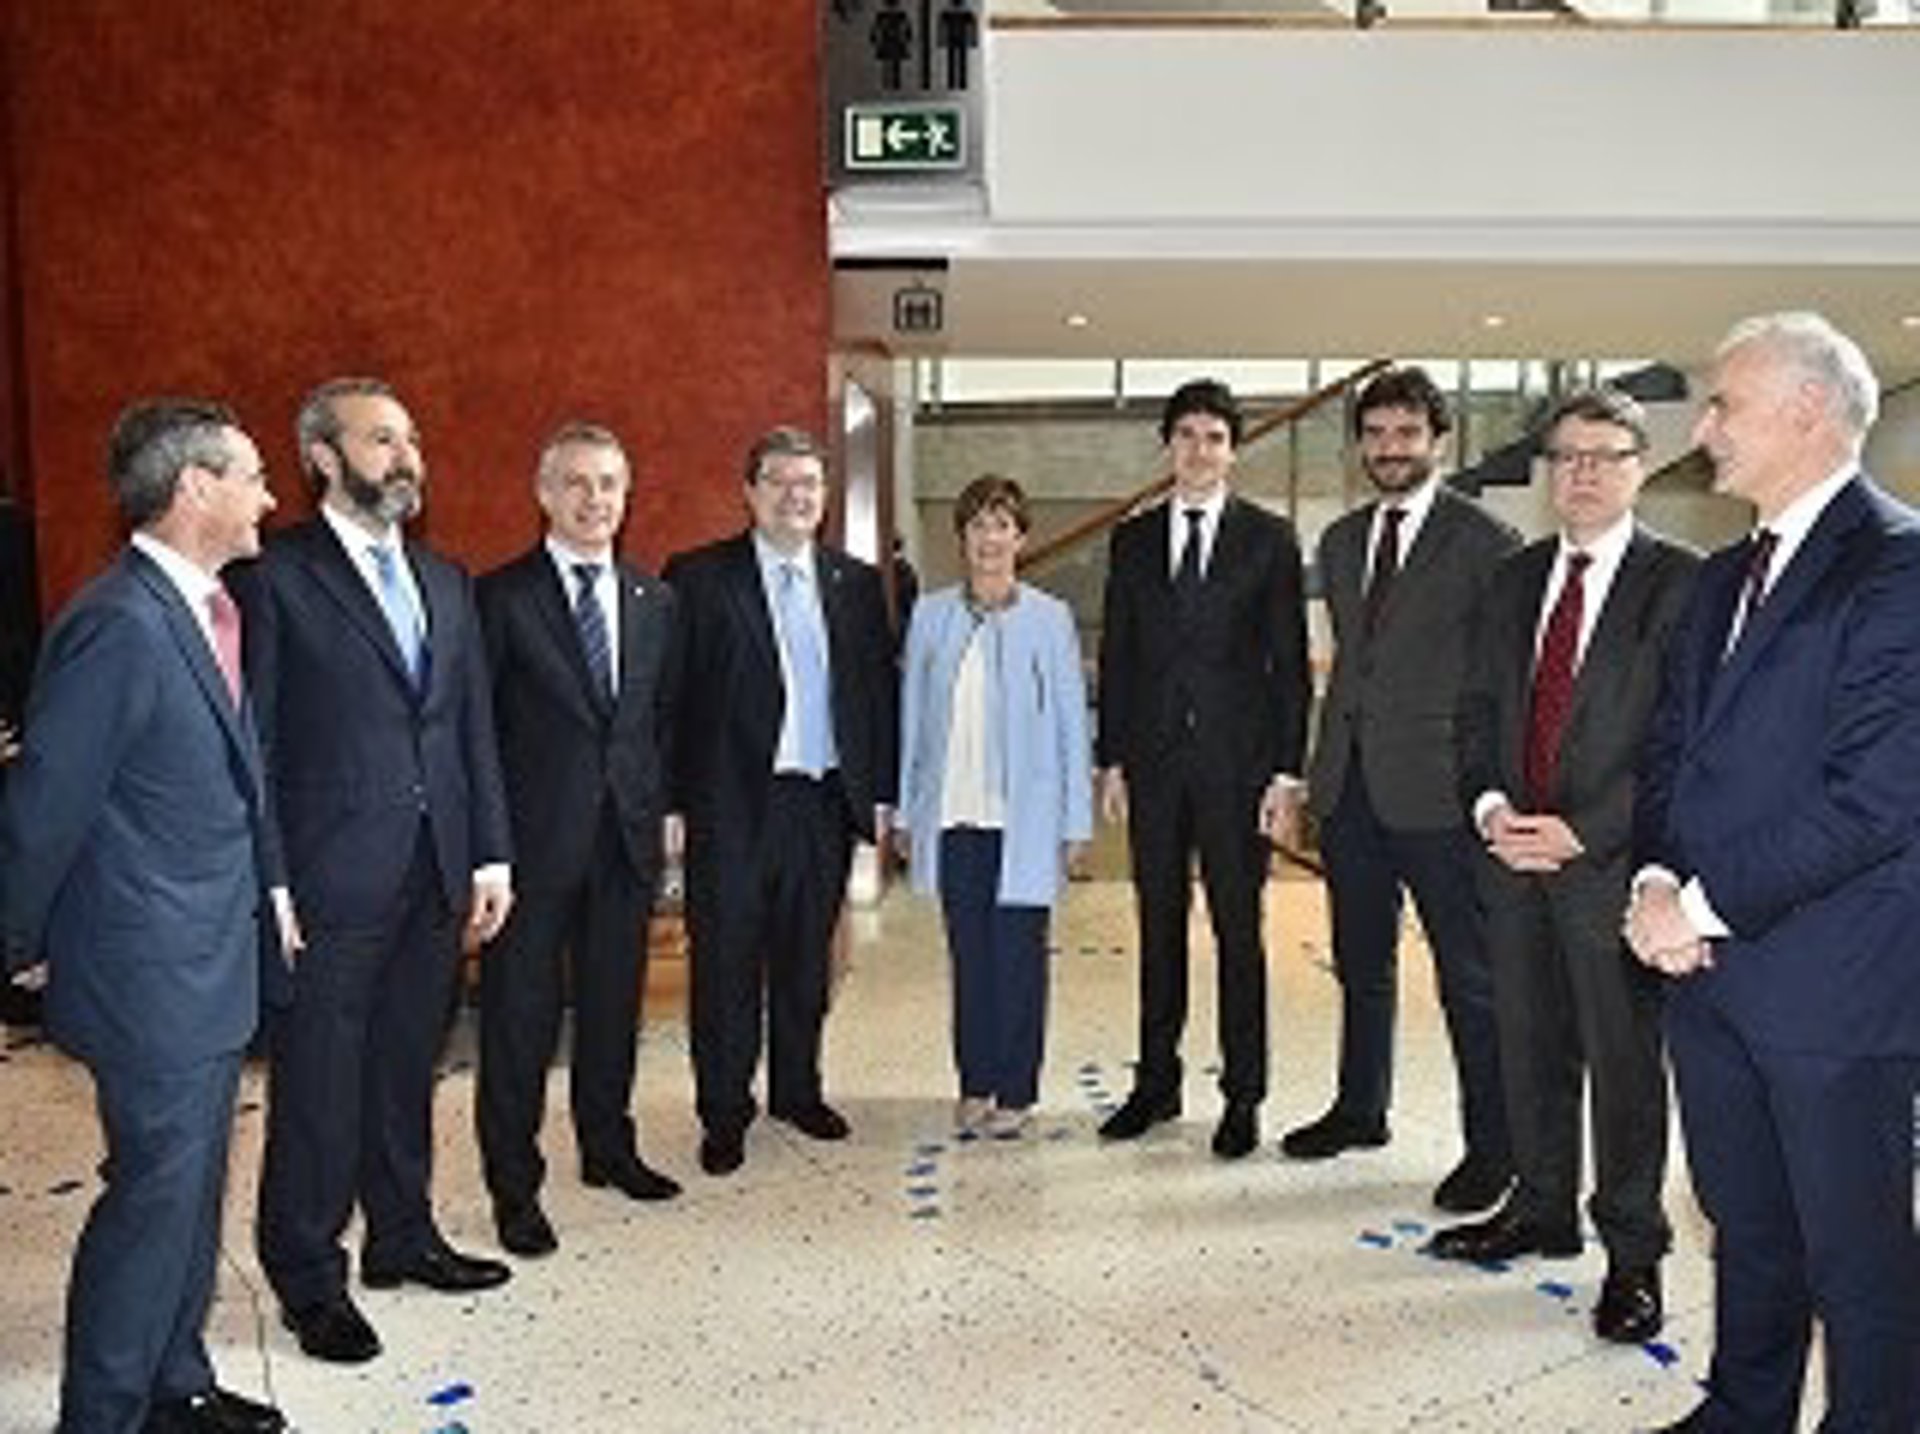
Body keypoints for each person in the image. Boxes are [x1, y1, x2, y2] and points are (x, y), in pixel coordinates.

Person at [1626, 313, 1920, 1432]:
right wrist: (1655, 883)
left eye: (1724, 404)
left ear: (1808, 408)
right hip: (1708, 975)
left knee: (1858, 1256)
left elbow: (1877, 796)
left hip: (1835, 985)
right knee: (1747, 1225)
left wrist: (1700, 905)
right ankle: (1745, 1411)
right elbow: (1671, 754)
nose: (1703, 429)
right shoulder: (1719, 581)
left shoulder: (1899, 563)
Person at [0, 400, 286, 1433]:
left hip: (205, 961)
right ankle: (103, 1414)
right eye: (252, 476)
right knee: (153, 1201)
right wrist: (18, 942)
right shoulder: (118, 624)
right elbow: (46, 806)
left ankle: (177, 1384)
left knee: (192, 1191)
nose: (270, 498)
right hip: (149, 972)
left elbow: (230, 785)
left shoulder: (205, 606)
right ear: (196, 487)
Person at [237, 378, 515, 1366]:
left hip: (435, 871)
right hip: (327, 881)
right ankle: (309, 1277)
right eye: (382, 440)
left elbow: (471, 728)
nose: (406, 457)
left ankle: (402, 1237)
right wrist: (270, 881)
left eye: (411, 440)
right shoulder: (274, 577)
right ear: (322, 456)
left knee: (405, 1066)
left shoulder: (446, 579)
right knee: (319, 1086)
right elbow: (254, 745)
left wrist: (489, 851)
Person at [1437, 389, 1698, 1347]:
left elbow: (1686, 740)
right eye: (1566, 456)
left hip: (1613, 870)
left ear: (1640, 467)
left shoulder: (1683, 583)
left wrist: (1585, 831)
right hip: (1512, 864)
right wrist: (1490, 809)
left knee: (1623, 1067)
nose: (1582, 472)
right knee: (1529, 1045)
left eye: (1604, 454)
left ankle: (1633, 1254)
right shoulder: (1512, 580)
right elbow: (1474, 713)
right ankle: (1541, 1207)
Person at [1285, 365, 1520, 1214]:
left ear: (1438, 441)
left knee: (1469, 977)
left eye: (1407, 434)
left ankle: (1494, 1148)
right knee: (1361, 963)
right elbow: (1355, 667)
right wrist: (1315, 777)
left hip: (1443, 794)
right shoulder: (1342, 542)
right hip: (1351, 787)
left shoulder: (1487, 543)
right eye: (1377, 434)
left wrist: (1492, 788)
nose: (1390, 449)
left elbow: (1500, 681)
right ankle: (1361, 1108)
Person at [662, 427, 897, 1177]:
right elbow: (671, 700)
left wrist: (881, 792)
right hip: (731, 805)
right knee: (725, 966)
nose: (796, 496)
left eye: (809, 484)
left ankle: (798, 1090)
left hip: (821, 805)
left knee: (804, 962)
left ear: (825, 498)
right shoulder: (699, 578)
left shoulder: (855, 584)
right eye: (780, 481)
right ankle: (724, 1112)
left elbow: (876, 696)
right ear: (750, 492)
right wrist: (671, 802)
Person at [476, 423, 682, 1258]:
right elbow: (479, 735)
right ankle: (514, 1186)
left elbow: (657, 723)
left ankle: (608, 1147)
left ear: (626, 496)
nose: (594, 499)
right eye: (576, 483)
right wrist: (486, 849)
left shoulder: (655, 602)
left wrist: (664, 813)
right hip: (532, 850)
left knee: (610, 1009)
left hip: (624, 842)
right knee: (518, 1023)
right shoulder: (500, 599)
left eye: (608, 484)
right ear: (544, 493)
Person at [1094, 378, 1311, 1160]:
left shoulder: (1269, 539)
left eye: (1214, 437)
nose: (1199, 450)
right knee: (1158, 930)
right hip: (1153, 769)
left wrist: (1285, 774)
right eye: (1186, 435)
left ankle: (1243, 1095)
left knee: (1237, 933)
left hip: (1236, 772)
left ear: (1233, 450)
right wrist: (1111, 758)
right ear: (1168, 446)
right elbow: (1118, 657)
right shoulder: (1132, 540)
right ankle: (1156, 1083)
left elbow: (1289, 665)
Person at [895, 476, 1092, 1138]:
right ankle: (975, 1082)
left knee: (1019, 961)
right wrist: (906, 812)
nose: (990, 538)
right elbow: (911, 719)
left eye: (1002, 524)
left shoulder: (1050, 618)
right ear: (962, 537)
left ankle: (1016, 1089)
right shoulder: (930, 615)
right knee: (969, 958)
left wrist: (1075, 821)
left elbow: (1071, 725)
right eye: (978, 524)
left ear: (1021, 537)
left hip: (1024, 823)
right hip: (953, 815)